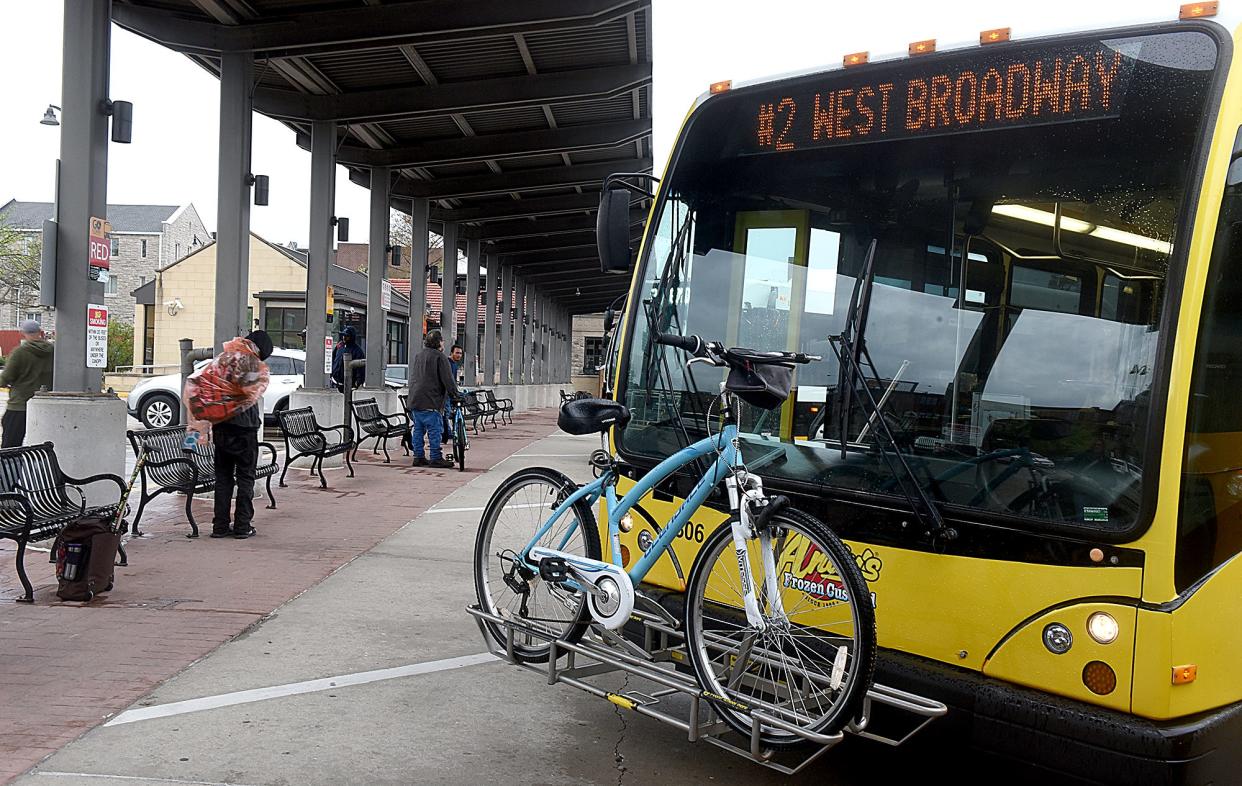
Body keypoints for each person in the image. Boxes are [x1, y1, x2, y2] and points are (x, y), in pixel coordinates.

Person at [211, 330, 273, 540]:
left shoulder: (224, 358)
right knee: (246, 477)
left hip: (221, 426)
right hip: (245, 429)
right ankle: (242, 525)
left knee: (223, 478)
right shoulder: (254, 365)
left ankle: (219, 526)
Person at [408, 330, 459, 468]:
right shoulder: (440, 357)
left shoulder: (419, 356)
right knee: (434, 430)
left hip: (415, 400)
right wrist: (455, 394)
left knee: (418, 429)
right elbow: (448, 379)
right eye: (442, 341)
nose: (443, 343)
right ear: (438, 342)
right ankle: (435, 457)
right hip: (432, 399)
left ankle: (418, 456)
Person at [0, 320, 54, 448]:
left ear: (23, 333)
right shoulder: (53, 351)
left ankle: (12, 468)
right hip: (44, 406)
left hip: (19, 405)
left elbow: (6, 378)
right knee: (40, 446)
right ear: (39, 332)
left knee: (10, 446)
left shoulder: (20, 352)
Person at [330, 325, 366, 392]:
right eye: (343, 336)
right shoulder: (339, 346)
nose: (344, 338)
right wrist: (331, 374)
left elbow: (360, 370)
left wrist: (357, 383)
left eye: (347, 336)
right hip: (334, 382)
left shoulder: (357, 351)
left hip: (348, 385)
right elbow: (333, 358)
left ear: (351, 337)